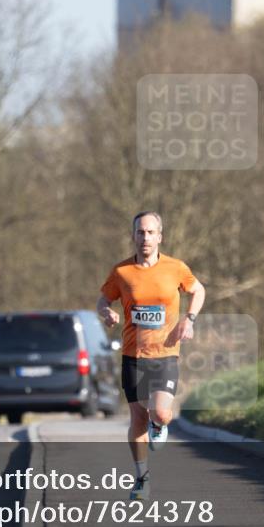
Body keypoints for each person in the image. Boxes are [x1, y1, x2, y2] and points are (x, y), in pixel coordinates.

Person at [97, 212, 205, 501]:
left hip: (166, 353)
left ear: (160, 236)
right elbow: (104, 298)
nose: (145, 238)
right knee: (137, 418)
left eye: (151, 232)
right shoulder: (121, 272)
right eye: (140, 232)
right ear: (133, 236)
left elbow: (198, 290)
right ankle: (142, 479)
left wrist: (189, 319)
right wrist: (105, 311)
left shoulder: (175, 268)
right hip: (133, 355)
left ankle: (160, 424)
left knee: (160, 413)